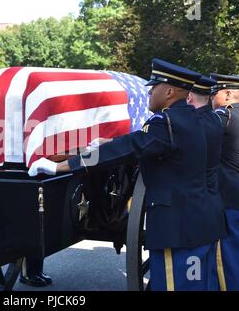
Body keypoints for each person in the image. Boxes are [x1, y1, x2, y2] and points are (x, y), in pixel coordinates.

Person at [29, 58, 228, 291]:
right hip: (202, 220)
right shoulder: (198, 118)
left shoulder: (167, 124)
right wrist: (109, 142)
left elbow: (124, 150)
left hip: (178, 228)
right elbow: (139, 143)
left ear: (169, 91)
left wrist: (61, 166)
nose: (150, 93)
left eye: (154, 88)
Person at [210, 73, 239, 290]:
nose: (211, 97)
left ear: (227, 94)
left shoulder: (223, 116)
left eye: (214, 92)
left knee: (225, 261)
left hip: (225, 194)